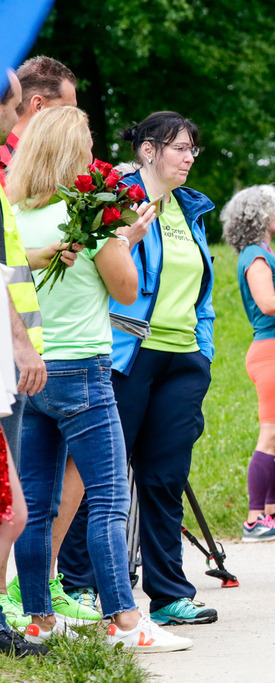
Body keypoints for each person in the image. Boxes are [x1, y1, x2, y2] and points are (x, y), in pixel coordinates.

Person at [7, 105, 190, 652]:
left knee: (37, 505)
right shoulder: (91, 214)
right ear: (70, 152)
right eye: (85, 142)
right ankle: (127, 624)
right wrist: (126, 238)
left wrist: (117, 242)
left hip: (33, 370)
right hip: (86, 369)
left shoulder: (14, 216)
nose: (93, 153)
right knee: (108, 499)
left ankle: (36, 617)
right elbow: (127, 291)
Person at [58, 111, 219, 626]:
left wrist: (204, 349)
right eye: (180, 147)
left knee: (164, 477)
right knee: (99, 476)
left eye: (194, 149)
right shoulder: (114, 198)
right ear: (148, 150)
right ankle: (79, 586)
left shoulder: (188, 209)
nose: (190, 157)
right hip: (125, 357)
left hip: (183, 359)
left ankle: (169, 595)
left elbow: (201, 289)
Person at [0, 59, 79, 624]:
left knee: (19, 504)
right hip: (15, 351)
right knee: (17, 505)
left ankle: (23, 609)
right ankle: (19, 608)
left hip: (25, 347)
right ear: (35, 106)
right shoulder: (13, 169)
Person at [222, 185, 275, 542]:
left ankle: (274, 508)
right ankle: (254, 518)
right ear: (258, 217)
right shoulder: (255, 255)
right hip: (274, 350)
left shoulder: (266, 252)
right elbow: (269, 303)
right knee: (271, 435)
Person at [0, 71, 46, 659]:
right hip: (8, 360)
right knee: (12, 507)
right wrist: (25, 343)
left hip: (10, 364)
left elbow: (13, 270)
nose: (17, 112)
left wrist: (33, 337)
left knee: (12, 508)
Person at [0, 56, 77, 185]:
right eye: (66, 111)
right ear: (38, 106)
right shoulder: (4, 163)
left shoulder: (44, 166)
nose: (74, 121)